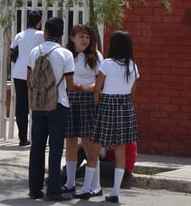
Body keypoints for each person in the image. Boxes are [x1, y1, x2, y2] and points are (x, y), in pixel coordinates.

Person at [27, 17, 89, 201]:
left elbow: (28, 80)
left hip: (38, 106)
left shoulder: (34, 52)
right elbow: (70, 85)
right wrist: (83, 87)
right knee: (55, 147)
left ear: (45, 32)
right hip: (58, 104)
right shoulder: (65, 54)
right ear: (62, 34)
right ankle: (54, 189)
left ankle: (34, 188)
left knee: (36, 146)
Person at [74, 31, 140, 204]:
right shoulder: (132, 66)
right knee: (120, 148)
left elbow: (98, 89)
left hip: (107, 105)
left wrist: (98, 105)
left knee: (94, 149)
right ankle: (115, 192)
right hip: (125, 107)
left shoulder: (108, 64)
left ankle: (87, 188)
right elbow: (133, 93)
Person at [62, 24, 104, 196]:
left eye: (87, 37)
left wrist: (88, 88)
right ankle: (70, 182)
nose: (85, 40)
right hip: (69, 98)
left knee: (88, 142)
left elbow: (100, 80)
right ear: (72, 38)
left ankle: (95, 185)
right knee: (70, 140)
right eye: (81, 36)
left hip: (88, 99)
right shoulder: (66, 54)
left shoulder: (95, 56)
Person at [9, 10, 44, 146]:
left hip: (19, 72)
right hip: (35, 72)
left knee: (21, 105)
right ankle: (37, 136)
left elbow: (10, 53)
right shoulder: (41, 35)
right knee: (38, 104)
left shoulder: (19, 35)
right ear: (39, 22)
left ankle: (22, 137)